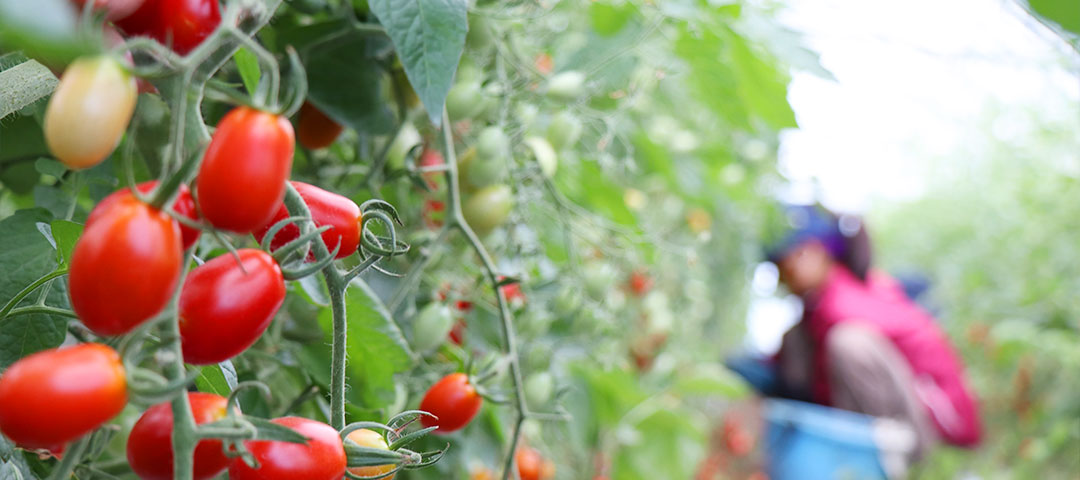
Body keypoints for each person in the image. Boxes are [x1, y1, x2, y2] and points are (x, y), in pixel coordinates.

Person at [758, 204, 982, 462]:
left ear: (810, 252)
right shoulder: (820, 306)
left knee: (849, 344)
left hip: (936, 430)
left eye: (781, 264)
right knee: (797, 341)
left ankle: (890, 461)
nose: (780, 278)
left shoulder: (845, 302)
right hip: (906, 413)